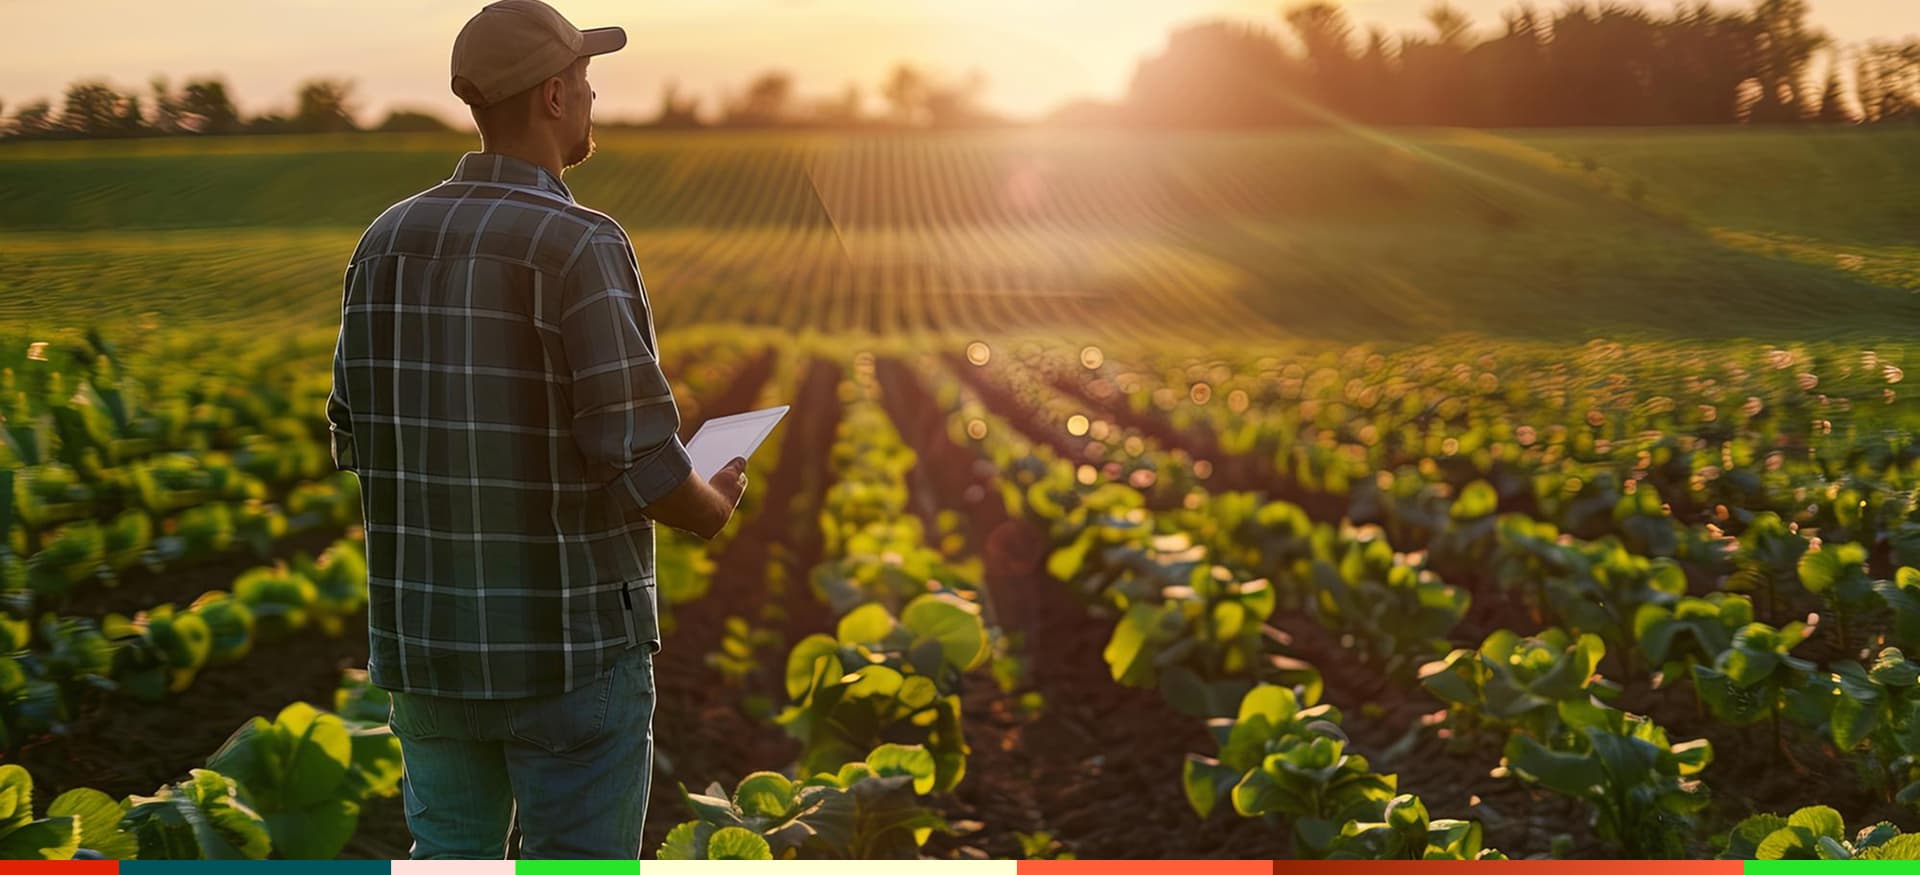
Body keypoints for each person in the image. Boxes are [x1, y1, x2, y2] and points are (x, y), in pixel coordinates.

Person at [324, 0, 749, 859]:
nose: (592, 98)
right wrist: (713, 502)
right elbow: (640, 458)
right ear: (554, 96)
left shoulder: (383, 241)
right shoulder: (580, 242)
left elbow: (353, 435)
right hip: (566, 654)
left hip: (426, 652)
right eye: (584, 80)